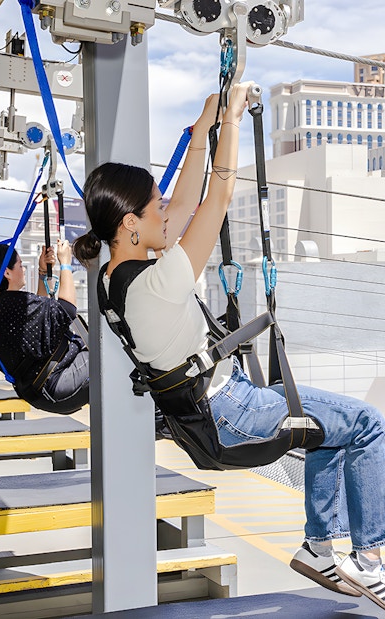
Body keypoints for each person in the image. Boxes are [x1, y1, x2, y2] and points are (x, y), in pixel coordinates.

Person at [72, 81, 385, 608]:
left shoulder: (111, 276)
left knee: (331, 430)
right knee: (369, 426)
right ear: (131, 225)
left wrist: (203, 127)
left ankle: (319, 547)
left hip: (213, 404)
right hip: (228, 408)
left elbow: (192, 196)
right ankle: (370, 557)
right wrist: (233, 121)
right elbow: (215, 196)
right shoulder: (159, 281)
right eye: (157, 209)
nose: (167, 213)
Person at [0, 240, 89, 414]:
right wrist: (66, 263)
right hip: (56, 385)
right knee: (110, 353)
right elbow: (67, 310)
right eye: (20, 265)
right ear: (7, 272)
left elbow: (39, 322)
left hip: (37, 391)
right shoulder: (9, 304)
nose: (24, 269)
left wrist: (43, 272)